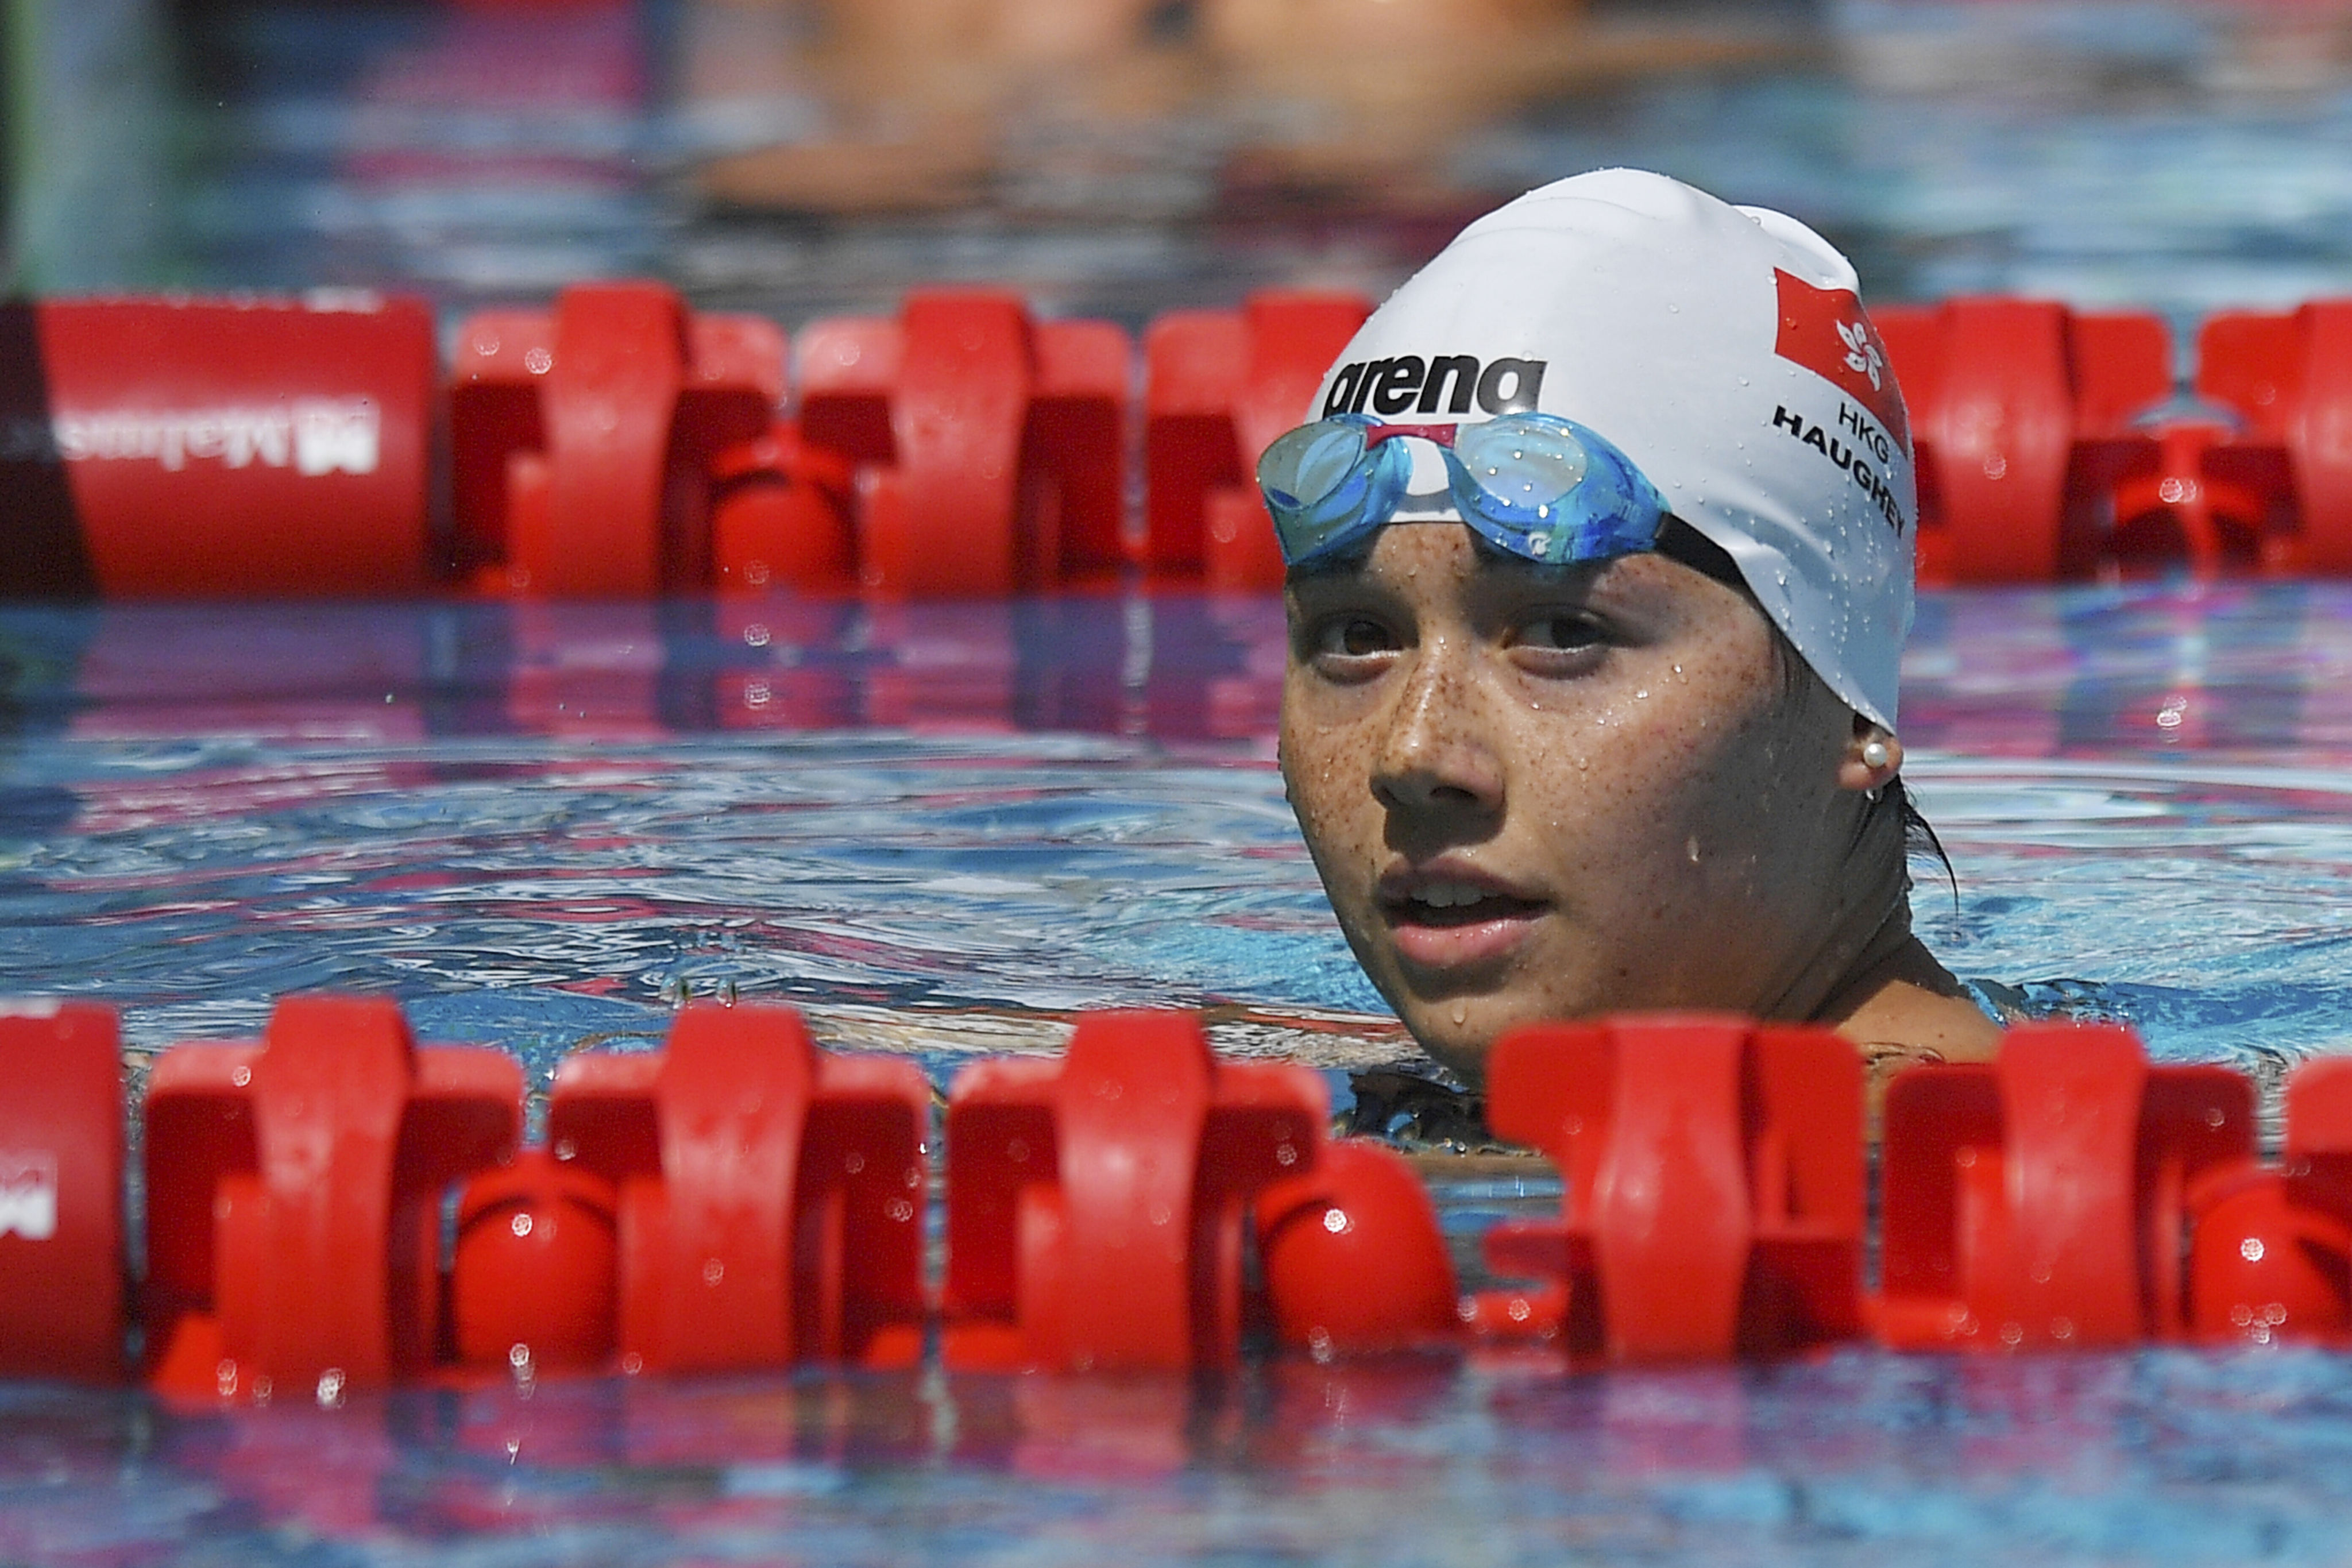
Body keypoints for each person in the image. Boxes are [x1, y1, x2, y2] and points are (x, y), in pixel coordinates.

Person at [1266, 168, 2002, 1082]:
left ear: (1852, 706)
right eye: (1354, 639)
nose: (1413, 755)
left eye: (1565, 635)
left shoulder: (1930, 1176)